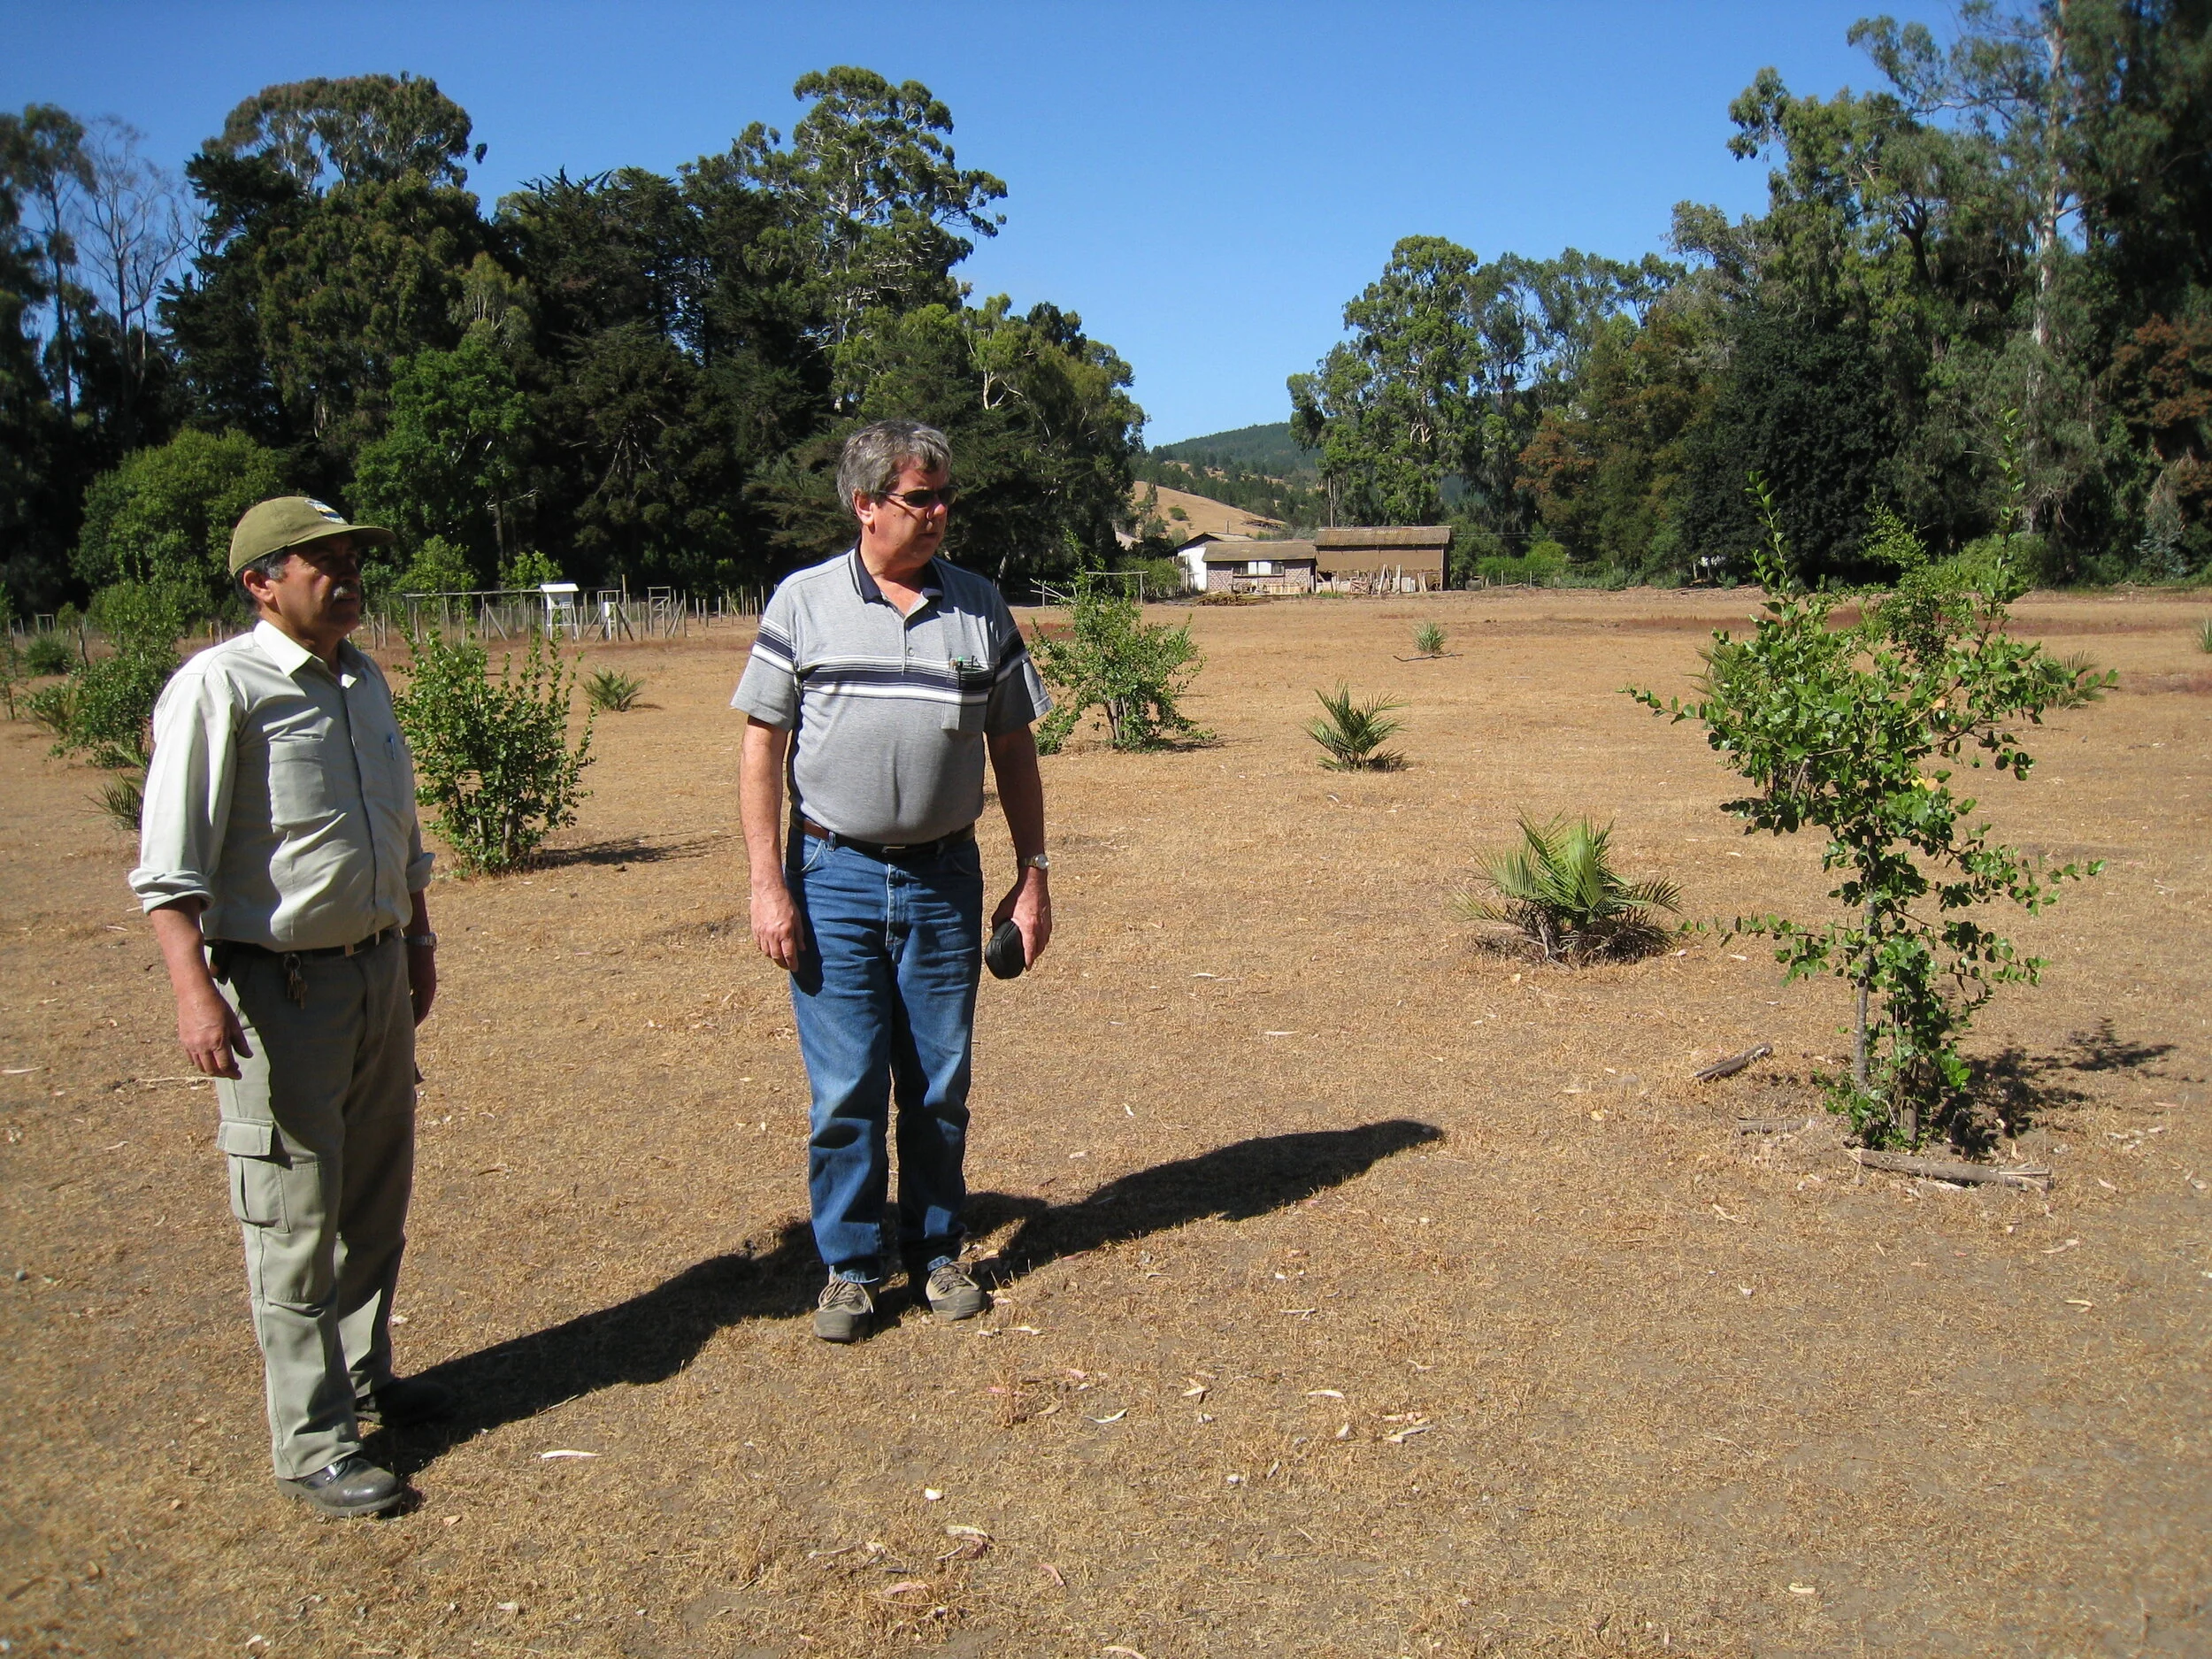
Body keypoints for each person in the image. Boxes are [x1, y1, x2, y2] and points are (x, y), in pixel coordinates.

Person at [131, 497, 449, 1518]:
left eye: (353, 558)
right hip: (280, 989)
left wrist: (419, 934)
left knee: (372, 1198)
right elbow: (170, 869)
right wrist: (195, 996)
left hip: (373, 972)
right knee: (292, 1213)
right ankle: (311, 1440)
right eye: (323, 561)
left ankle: (364, 1380)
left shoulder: (362, 680)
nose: (347, 575)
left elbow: (398, 829)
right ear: (260, 581)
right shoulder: (219, 689)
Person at [734, 419, 1053, 1342]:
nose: (940, 512)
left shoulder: (980, 607)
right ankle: (849, 1265)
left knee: (938, 1082)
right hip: (831, 875)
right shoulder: (801, 604)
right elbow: (762, 748)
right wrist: (768, 883)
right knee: (844, 1089)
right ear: (865, 506)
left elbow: (1014, 748)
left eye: (946, 495)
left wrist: (1032, 875)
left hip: (946, 878)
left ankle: (940, 1248)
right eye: (921, 497)